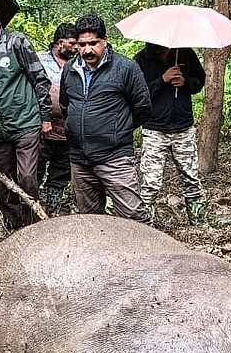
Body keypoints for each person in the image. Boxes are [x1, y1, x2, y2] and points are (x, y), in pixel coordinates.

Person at [0, 0, 52, 230]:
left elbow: (39, 79)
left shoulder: (16, 42)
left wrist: (45, 117)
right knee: (3, 183)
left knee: (26, 178)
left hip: (25, 123)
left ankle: (32, 226)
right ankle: (14, 229)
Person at [60, 13, 151, 223]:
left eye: (93, 43)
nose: (87, 50)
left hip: (115, 156)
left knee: (133, 215)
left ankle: (148, 254)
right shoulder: (69, 69)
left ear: (105, 40)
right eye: (82, 44)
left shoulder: (125, 68)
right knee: (90, 219)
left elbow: (143, 107)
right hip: (79, 158)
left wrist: (116, 129)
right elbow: (66, 106)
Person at [134, 42, 207, 222]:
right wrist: (162, 80)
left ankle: (198, 221)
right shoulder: (141, 59)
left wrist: (185, 82)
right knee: (150, 182)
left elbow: (200, 80)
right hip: (154, 129)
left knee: (191, 177)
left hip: (183, 127)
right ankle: (144, 226)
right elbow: (138, 94)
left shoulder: (185, 53)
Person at [36, 22, 76, 216]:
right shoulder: (39, 60)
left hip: (67, 131)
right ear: (60, 43)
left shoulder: (79, 62)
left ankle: (52, 213)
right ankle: (30, 211)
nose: (76, 47)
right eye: (72, 43)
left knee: (59, 175)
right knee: (33, 172)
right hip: (41, 129)